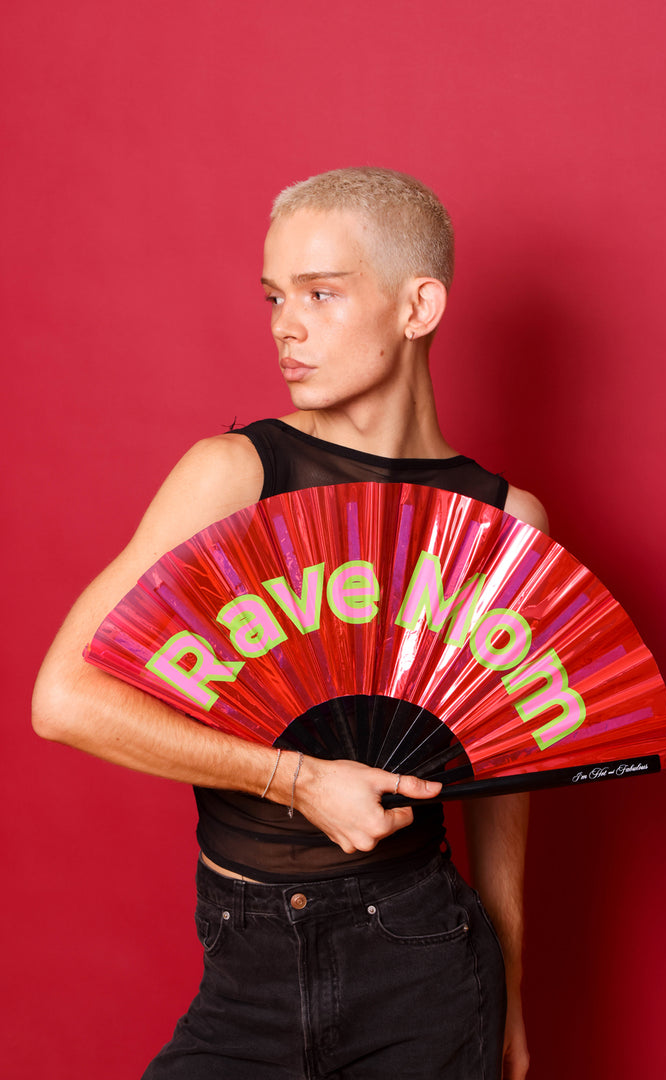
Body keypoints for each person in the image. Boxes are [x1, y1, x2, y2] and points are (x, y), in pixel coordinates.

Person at [33, 167, 546, 1079]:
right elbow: (64, 700)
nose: (285, 325)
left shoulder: (506, 519)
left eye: (321, 293)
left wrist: (508, 977)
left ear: (417, 305)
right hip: (246, 968)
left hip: (425, 962)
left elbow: (503, 771)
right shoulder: (236, 475)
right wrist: (295, 778)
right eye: (275, 295)